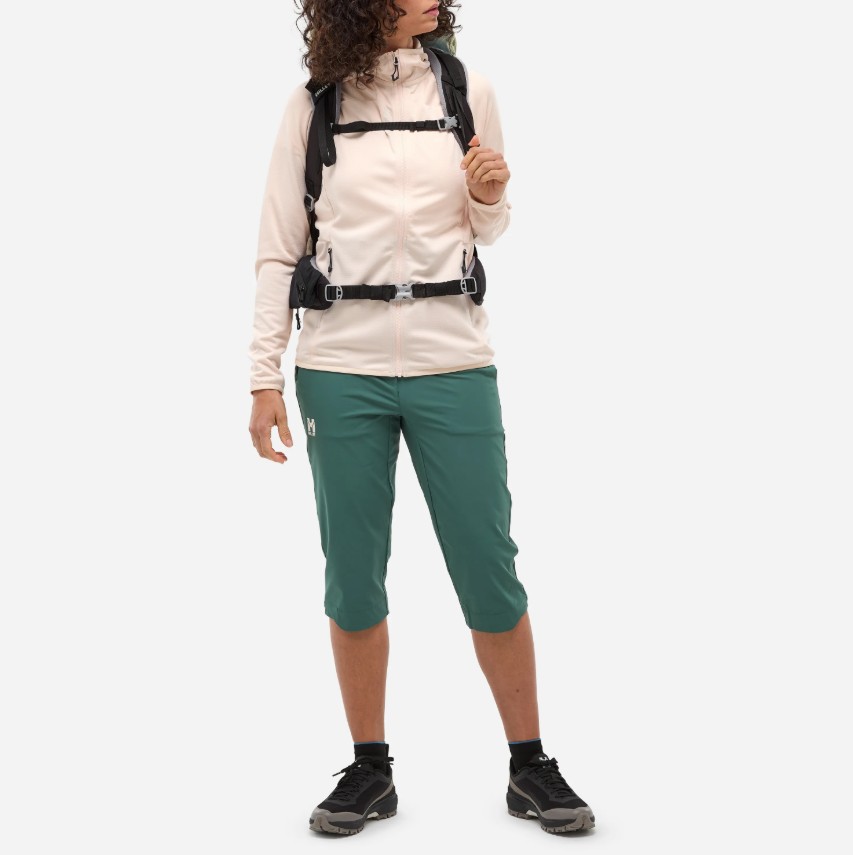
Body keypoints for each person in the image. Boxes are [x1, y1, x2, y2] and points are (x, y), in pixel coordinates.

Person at [247, 0, 595, 836]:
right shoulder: (313, 105)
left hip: (453, 362)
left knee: (488, 566)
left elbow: (488, 226)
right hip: (341, 369)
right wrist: (263, 376)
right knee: (352, 575)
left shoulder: (467, 89)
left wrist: (489, 195)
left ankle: (529, 764)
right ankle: (369, 769)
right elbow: (278, 248)